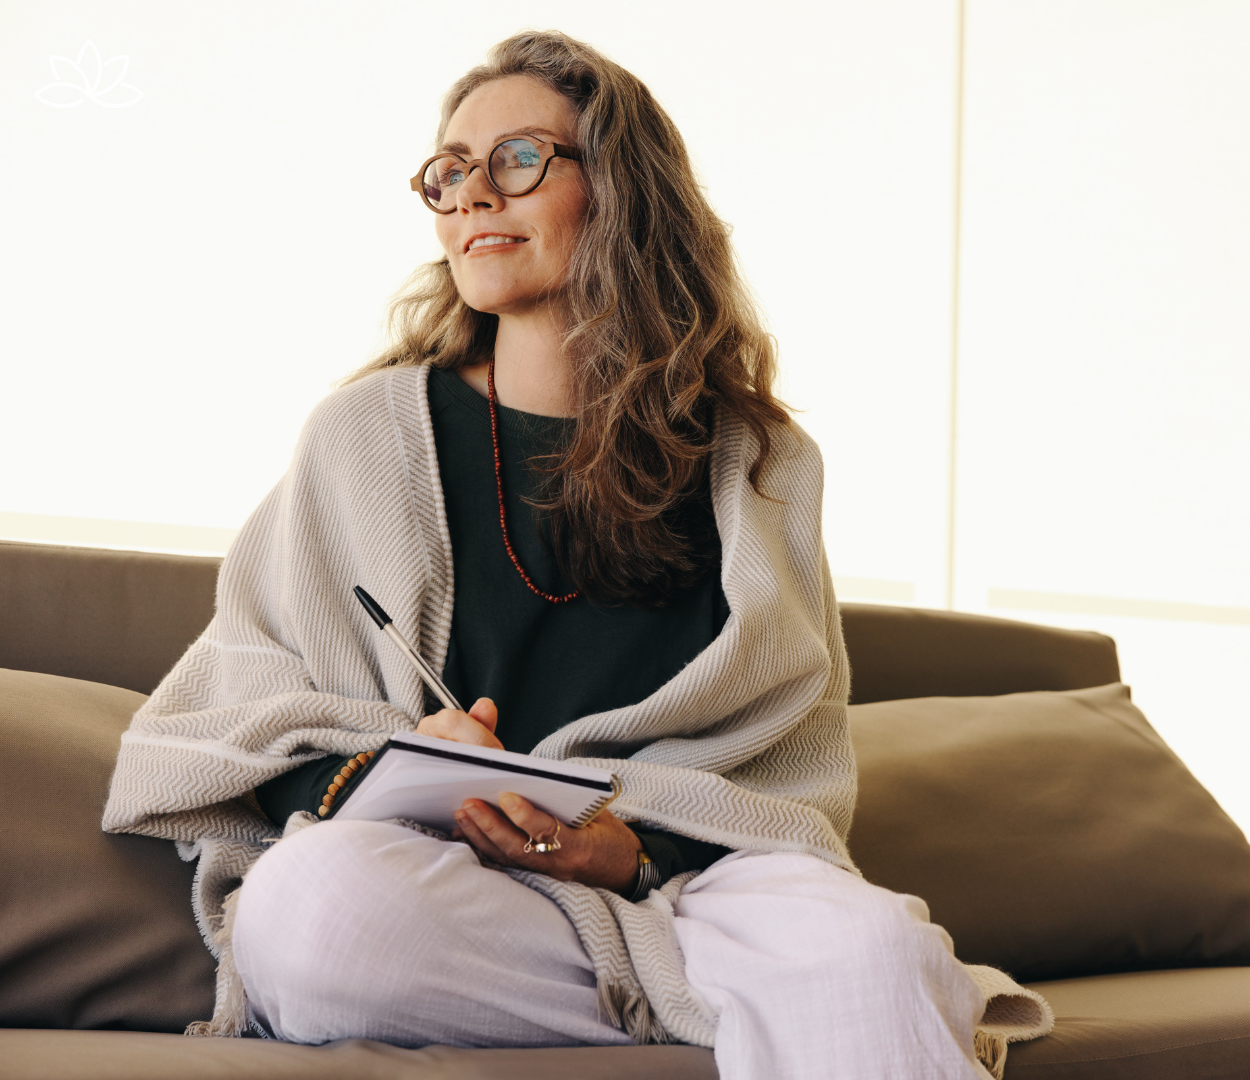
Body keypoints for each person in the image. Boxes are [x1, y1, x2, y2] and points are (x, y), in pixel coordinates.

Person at [100, 29, 1048, 1080]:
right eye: (449, 171)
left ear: (622, 191)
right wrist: (397, 760)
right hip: (445, 881)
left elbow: (786, 776)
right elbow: (247, 706)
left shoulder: (760, 464)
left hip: (694, 893)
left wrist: (632, 851)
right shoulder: (362, 438)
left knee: (877, 946)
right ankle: (732, 1012)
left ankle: (722, 994)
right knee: (311, 912)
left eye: (515, 160)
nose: (471, 195)